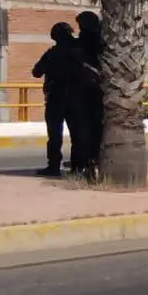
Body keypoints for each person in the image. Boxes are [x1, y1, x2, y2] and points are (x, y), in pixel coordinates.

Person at [31, 22, 77, 177]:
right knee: (77, 134)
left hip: (56, 98)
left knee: (55, 135)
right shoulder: (80, 51)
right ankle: (79, 166)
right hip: (75, 98)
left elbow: (36, 72)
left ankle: (54, 166)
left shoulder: (52, 53)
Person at [67, 11, 105, 177]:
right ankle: (87, 163)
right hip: (91, 89)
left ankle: (85, 164)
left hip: (87, 89)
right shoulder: (93, 39)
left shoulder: (91, 41)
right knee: (89, 129)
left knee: (84, 130)